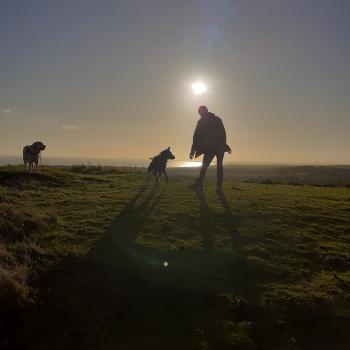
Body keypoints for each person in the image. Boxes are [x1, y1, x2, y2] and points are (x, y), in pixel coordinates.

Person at [189, 105, 231, 192]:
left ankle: (204, 185)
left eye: (201, 112)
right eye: (199, 112)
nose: (200, 114)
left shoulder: (204, 121)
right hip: (216, 147)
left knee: (208, 166)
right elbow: (223, 133)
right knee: (215, 166)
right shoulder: (215, 119)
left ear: (204, 112)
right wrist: (225, 145)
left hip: (212, 147)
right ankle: (216, 187)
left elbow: (196, 137)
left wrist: (192, 150)